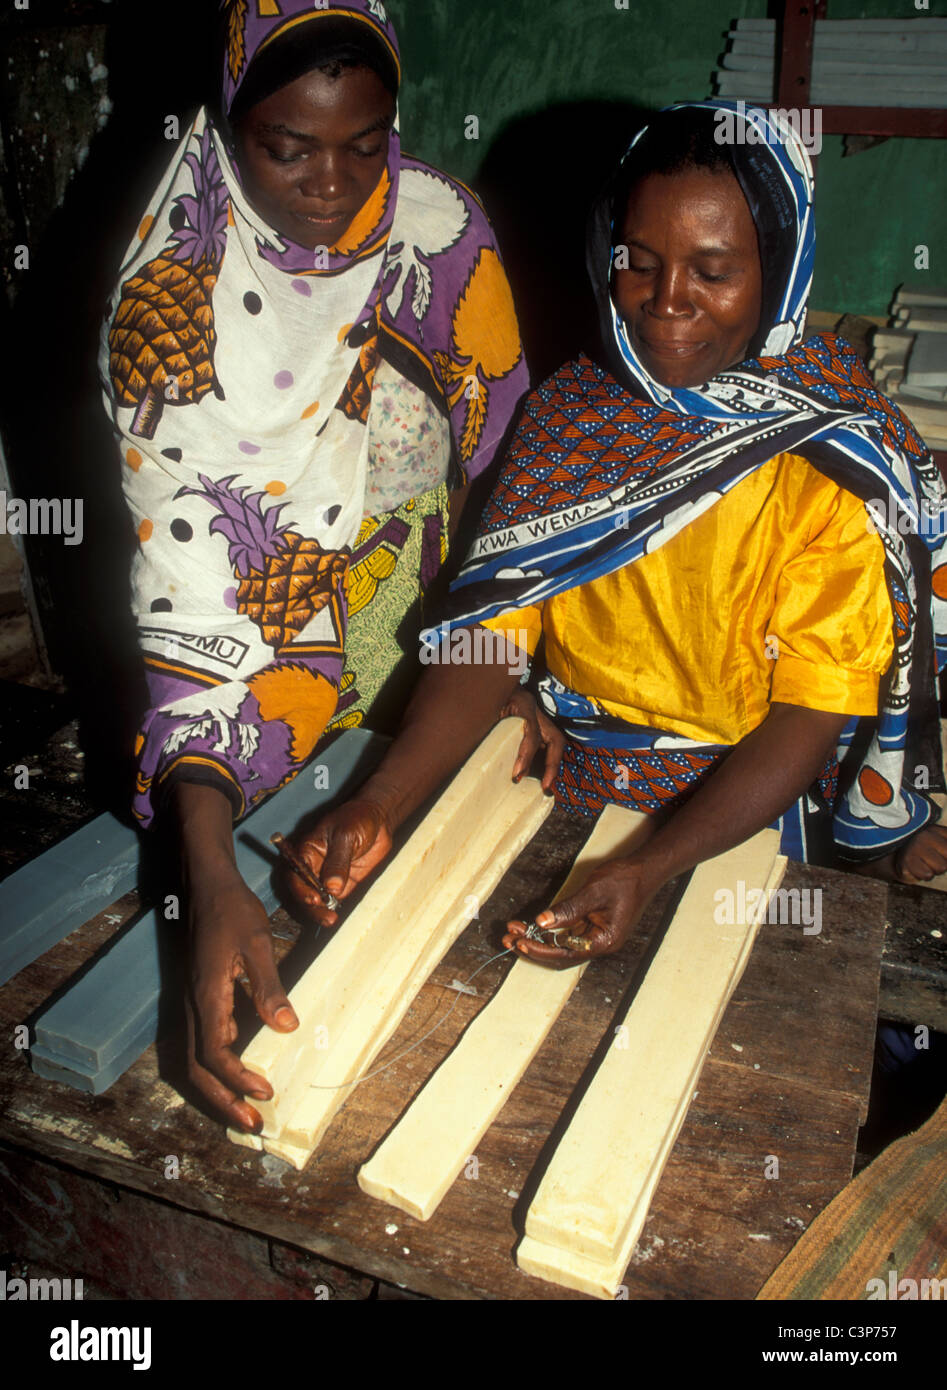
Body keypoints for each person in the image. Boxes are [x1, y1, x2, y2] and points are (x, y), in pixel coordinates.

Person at [294, 101, 947, 970]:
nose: (663, 303)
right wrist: (386, 796)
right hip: (569, 770)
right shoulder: (573, 418)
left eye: (712, 271)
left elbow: (810, 712)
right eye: (637, 262)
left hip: (742, 799)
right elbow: (493, 634)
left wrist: (648, 863)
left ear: (779, 272)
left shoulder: (825, 456)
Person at [99, 0, 528, 1130]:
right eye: (289, 147)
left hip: (438, 627)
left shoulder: (440, 230)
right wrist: (204, 871)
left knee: (420, 913)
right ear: (233, 124)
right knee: (267, 937)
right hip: (260, 634)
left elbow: (510, 486)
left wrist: (511, 665)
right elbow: (190, 596)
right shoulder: (169, 301)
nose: (333, 183)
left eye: (365, 140)